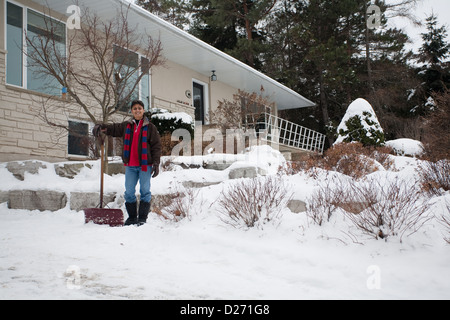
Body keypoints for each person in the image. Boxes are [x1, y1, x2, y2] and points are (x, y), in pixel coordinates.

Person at [93, 100, 161, 226]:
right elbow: (113, 128)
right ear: (131, 111)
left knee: (145, 191)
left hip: (145, 165)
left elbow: (156, 146)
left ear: (143, 110)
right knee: (129, 192)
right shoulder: (126, 126)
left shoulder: (150, 127)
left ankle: (142, 218)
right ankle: (132, 218)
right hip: (131, 165)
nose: (137, 110)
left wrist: (156, 163)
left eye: (139, 108)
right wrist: (101, 126)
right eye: (134, 108)